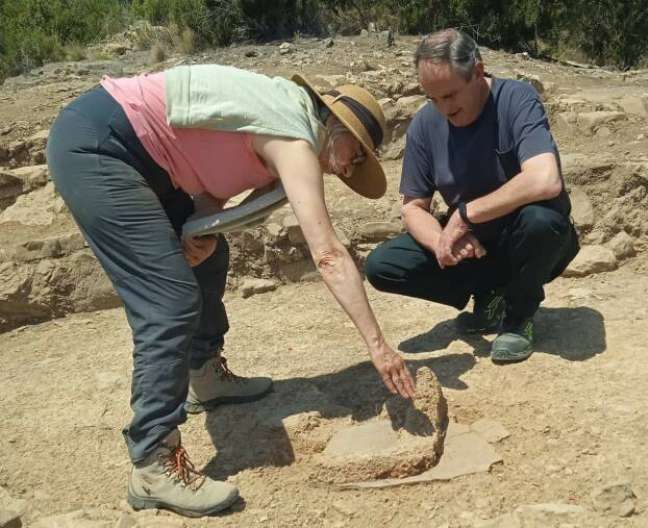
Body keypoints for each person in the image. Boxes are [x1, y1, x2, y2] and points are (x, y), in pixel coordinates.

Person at [46, 64, 415, 518]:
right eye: (354, 154)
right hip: (102, 149)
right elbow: (329, 256)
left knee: (212, 255)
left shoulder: (278, 115)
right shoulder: (294, 137)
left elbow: (209, 184)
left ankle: (203, 375)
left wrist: (196, 229)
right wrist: (379, 347)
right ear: (332, 124)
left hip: (142, 157)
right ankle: (152, 460)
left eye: (356, 164)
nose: (345, 168)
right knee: (169, 302)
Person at [365, 29, 579, 364]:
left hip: (528, 238)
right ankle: (489, 295)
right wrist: (442, 243)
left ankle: (518, 318)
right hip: (476, 247)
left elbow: (546, 179)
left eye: (450, 96)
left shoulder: (516, 100)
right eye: (432, 98)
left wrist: (464, 215)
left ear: (478, 72)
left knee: (541, 222)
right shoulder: (425, 124)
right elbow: (413, 208)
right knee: (383, 265)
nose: (443, 109)